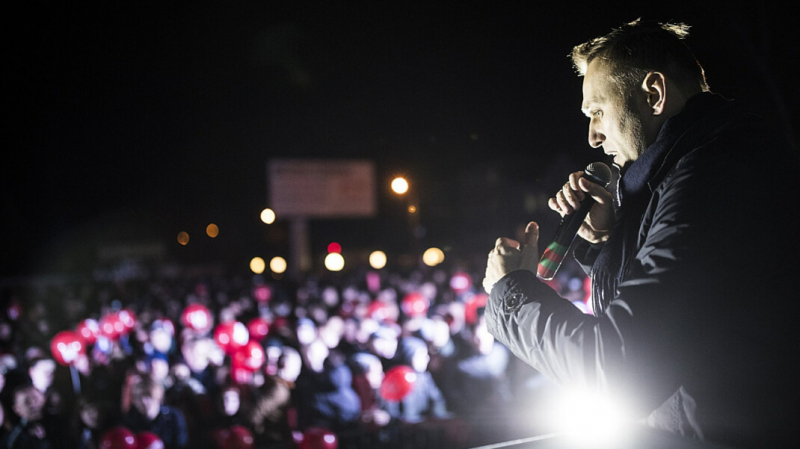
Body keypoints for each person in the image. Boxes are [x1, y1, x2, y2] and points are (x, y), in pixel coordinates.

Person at [482, 19, 799, 448]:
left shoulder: (715, 178)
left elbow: (619, 372)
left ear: (653, 94)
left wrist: (512, 292)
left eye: (598, 112)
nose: (593, 136)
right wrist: (608, 240)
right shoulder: (698, 168)